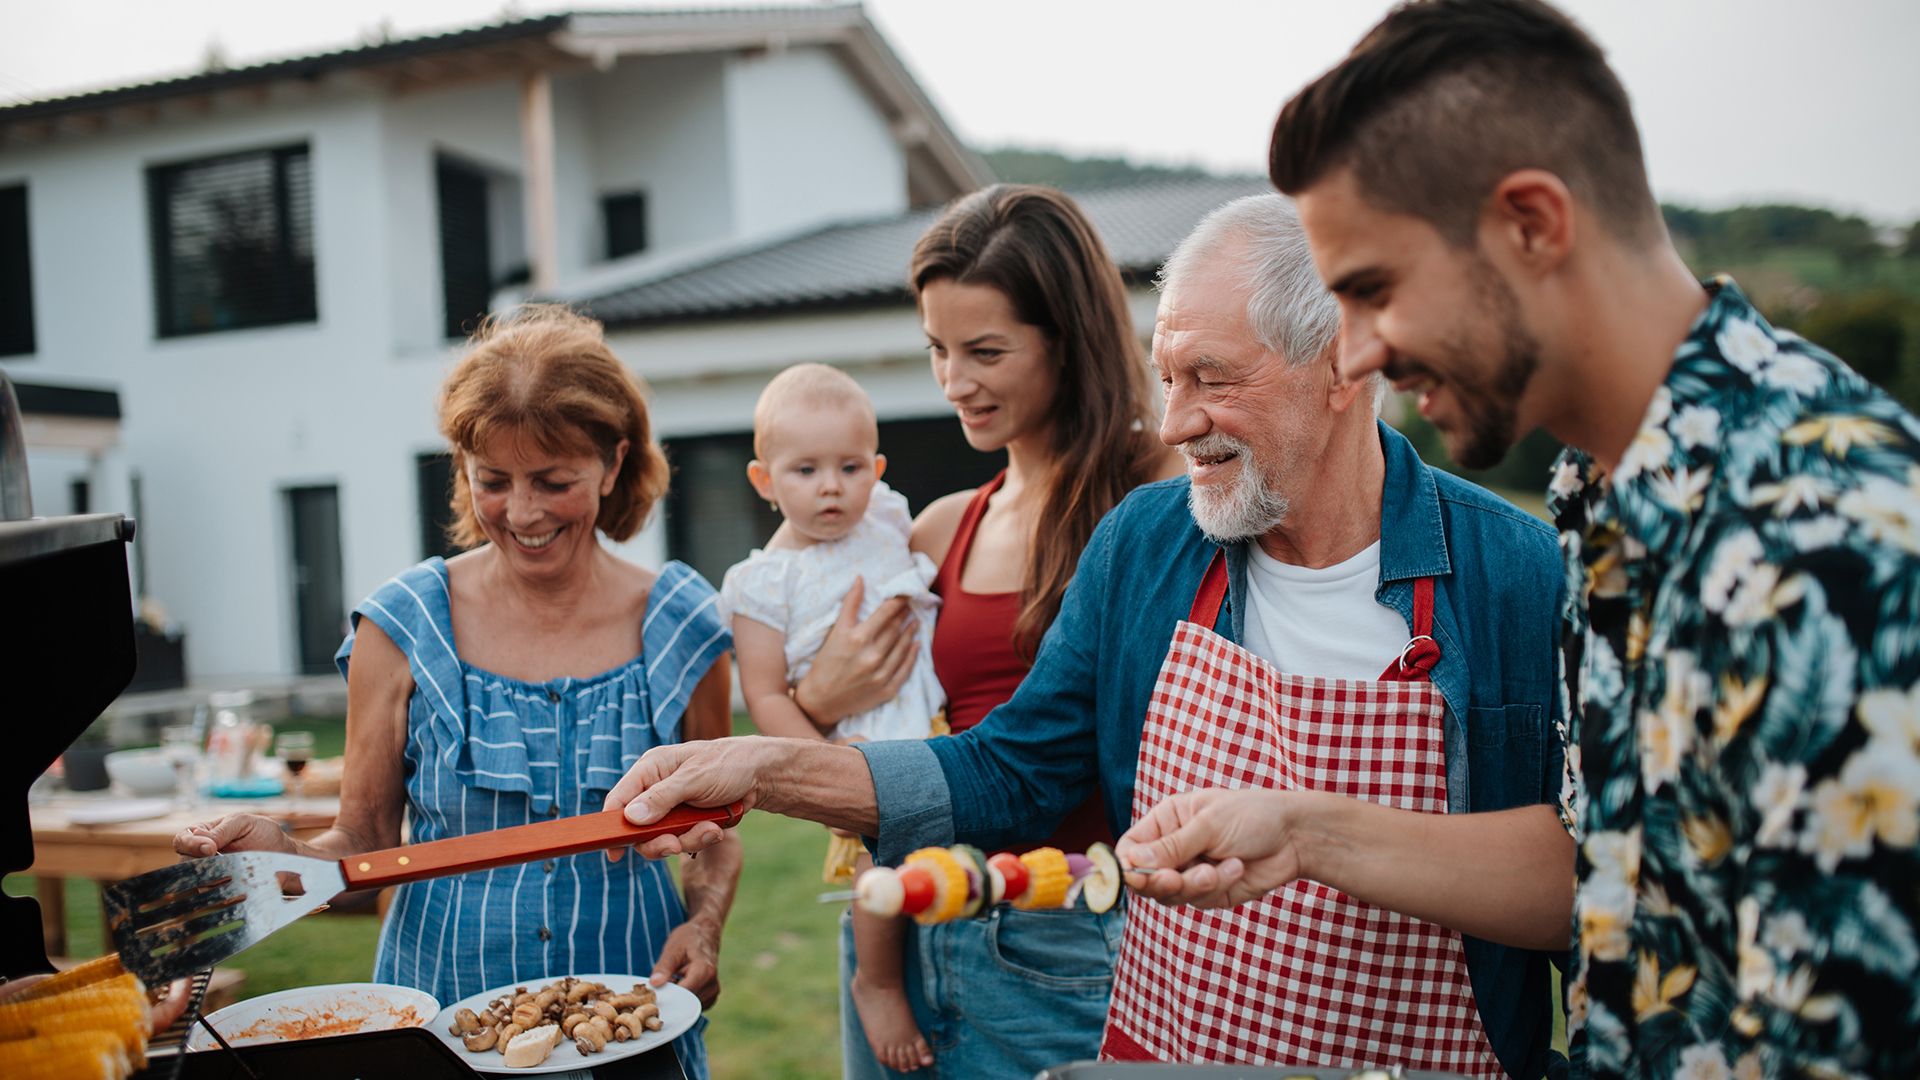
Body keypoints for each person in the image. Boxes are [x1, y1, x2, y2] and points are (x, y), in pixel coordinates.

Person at [610, 194, 1574, 1078]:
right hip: (1157, 1053)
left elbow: (1591, 882)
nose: (1176, 420)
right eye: (1164, 377)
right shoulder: (1149, 542)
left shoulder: (1522, 578)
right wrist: (762, 768)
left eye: (1211, 378)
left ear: (1343, 361)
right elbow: (1009, 771)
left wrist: (1310, 831)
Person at [1130, 1, 1920, 1077]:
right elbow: (1623, 886)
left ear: (1534, 225)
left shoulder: (1823, 536)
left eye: (1373, 291)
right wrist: (1308, 832)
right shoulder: (1605, 495)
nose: (1357, 354)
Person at [174, 306, 737, 1079]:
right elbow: (364, 842)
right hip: (440, 1023)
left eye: (553, 481)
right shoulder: (402, 627)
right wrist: (289, 858)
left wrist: (704, 925)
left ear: (611, 465)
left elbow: (716, 829)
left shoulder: (685, 624)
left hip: (631, 1020)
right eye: (493, 482)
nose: (524, 512)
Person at [746, 182, 1175, 1078]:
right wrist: (817, 696)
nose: (953, 382)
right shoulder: (935, 530)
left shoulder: (1153, 494)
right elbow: (860, 715)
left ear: (1070, 341)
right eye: (938, 348)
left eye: (985, 350)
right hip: (899, 929)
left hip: (1064, 939)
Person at [720, 361, 945, 1073]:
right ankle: (875, 982)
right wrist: (827, 770)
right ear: (764, 480)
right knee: (879, 875)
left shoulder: (884, 515)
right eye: (806, 470)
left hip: (935, 723)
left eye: (850, 467)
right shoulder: (761, 583)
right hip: (858, 745)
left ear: (876, 470)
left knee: (950, 874)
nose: (831, 487)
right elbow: (765, 696)